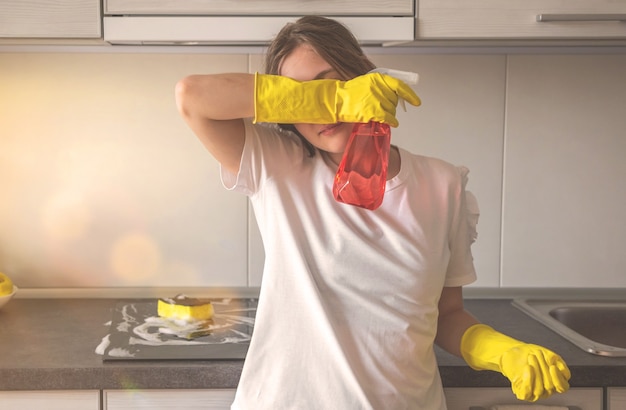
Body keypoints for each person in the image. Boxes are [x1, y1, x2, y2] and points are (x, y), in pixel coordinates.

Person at [176, 15, 571, 410]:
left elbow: (447, 314)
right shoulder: (277, 165)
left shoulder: (442, 183)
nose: (320, 112)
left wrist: (502, 351)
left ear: (364, 75)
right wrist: (334, 100)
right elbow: (192, 97)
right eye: (299, 97)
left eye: (331, 82)